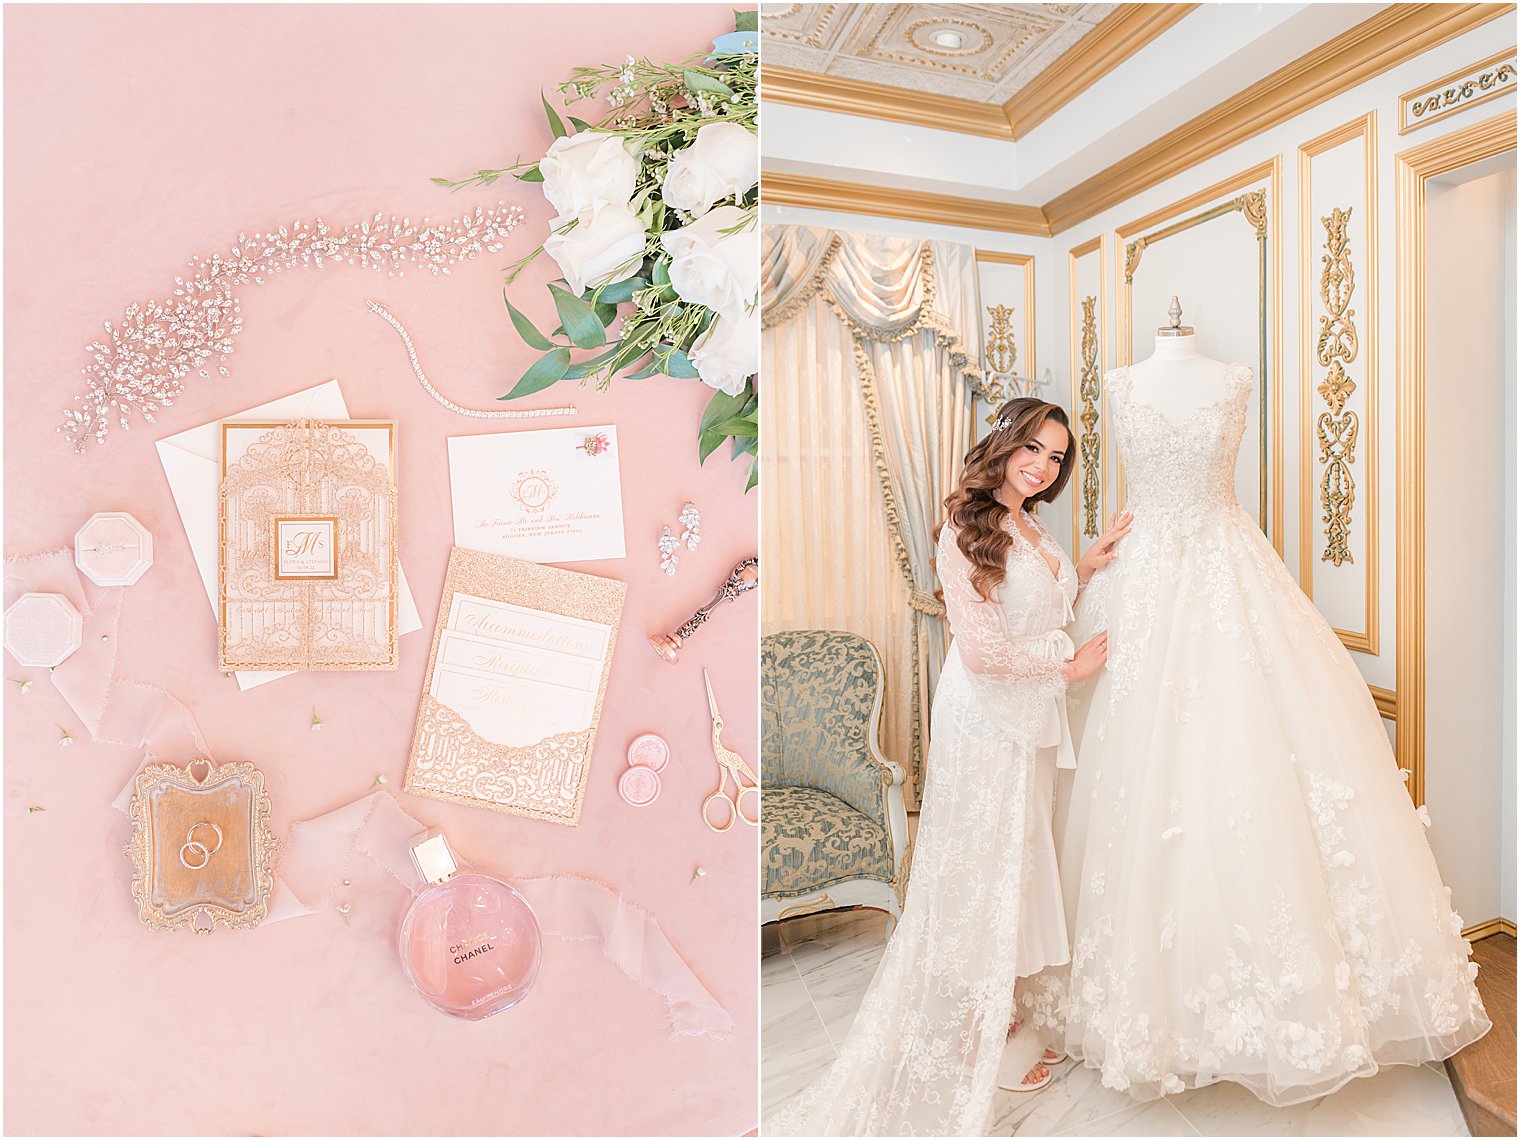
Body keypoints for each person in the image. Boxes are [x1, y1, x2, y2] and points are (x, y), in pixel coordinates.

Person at [1022, 338, 1490, 1106]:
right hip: (1136, 585)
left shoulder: (1234, 378)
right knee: (1123, 778)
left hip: (1228, 573)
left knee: (1241, 764)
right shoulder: (1121, 381)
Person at [766, 398, 1128, 1136]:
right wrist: (1071, 673)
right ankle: (976, 1036)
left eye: (1056, 457)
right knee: (980, 868)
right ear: (1001, 444)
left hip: (1025, 711)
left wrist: (1083, 571)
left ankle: (999, 1016)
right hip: (987, 714)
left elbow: (1038, 610)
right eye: (1032, 447)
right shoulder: (966, 529)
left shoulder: (1030, 522)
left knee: (1018, 863)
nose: (1042, 465)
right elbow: (984, 650)